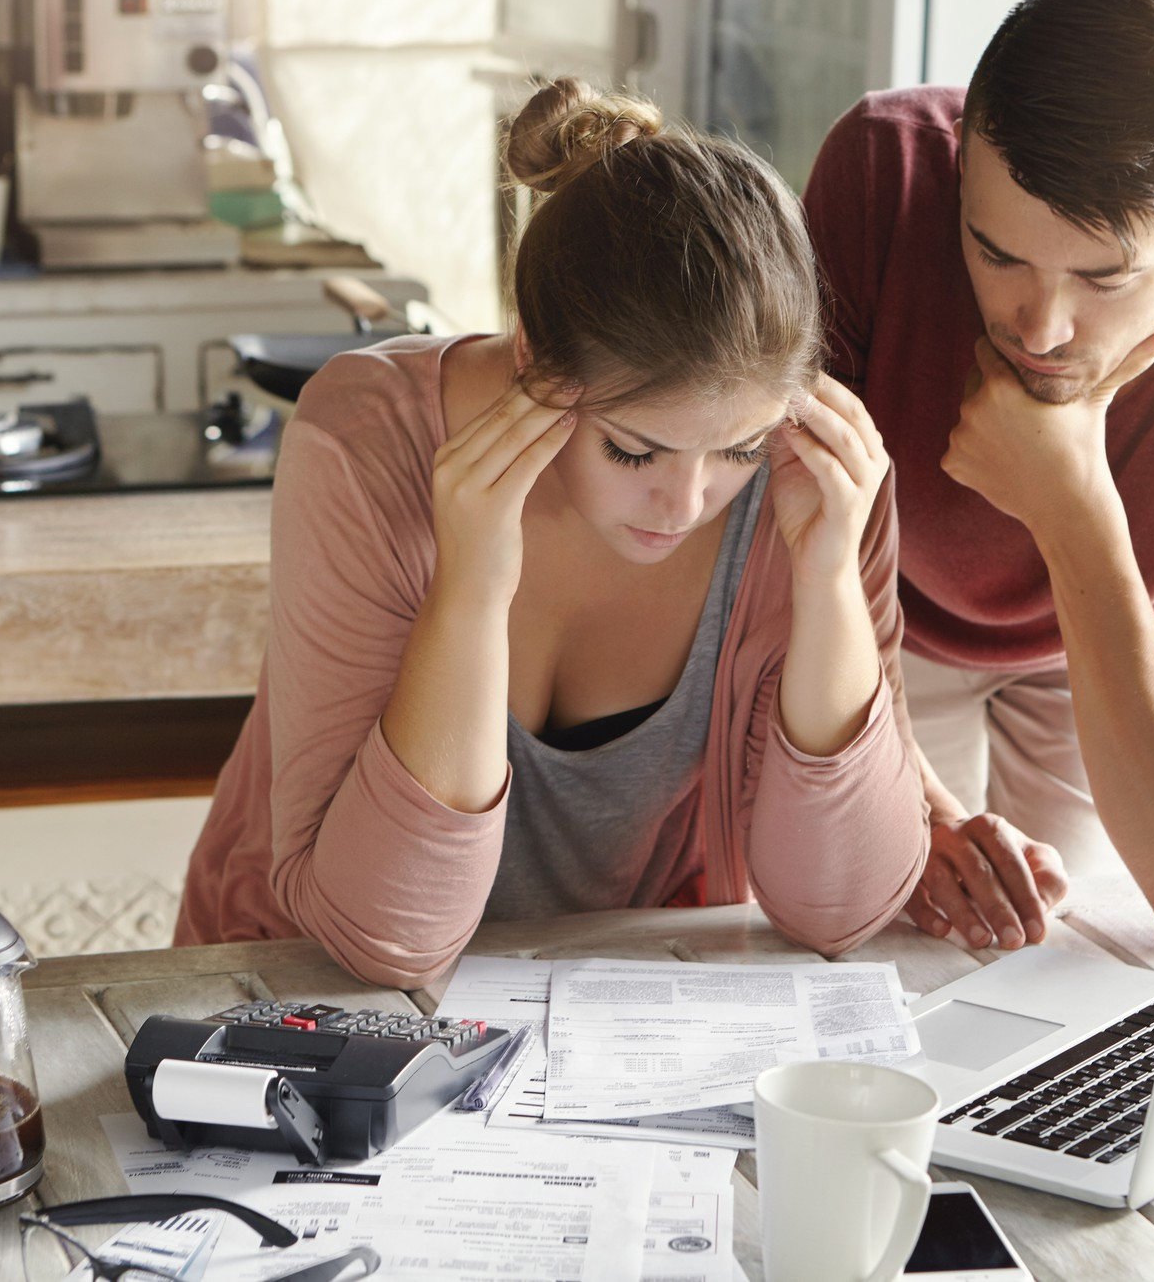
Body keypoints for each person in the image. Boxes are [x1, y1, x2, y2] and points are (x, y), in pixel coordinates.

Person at [175, 79, 928, 988]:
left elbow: (840, 911)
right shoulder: (365, 438)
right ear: (533, 356)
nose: (687, 503)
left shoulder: (818, 482)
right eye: (633, 450)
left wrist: (830, 583)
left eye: (737, 447)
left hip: (611, 1019)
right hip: (297, 997)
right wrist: (471, 588)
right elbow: (385, 939)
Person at [802, 0, 1154, 950]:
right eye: (996, 252)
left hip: (1093, 636)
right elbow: (768, 551)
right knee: (871, 930)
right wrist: (918, 809)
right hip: (863, 603)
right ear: (957, 176)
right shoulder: (881, 172)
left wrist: (1071, 504)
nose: (1039, 328)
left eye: (1104, 276)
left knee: (1055, 952)